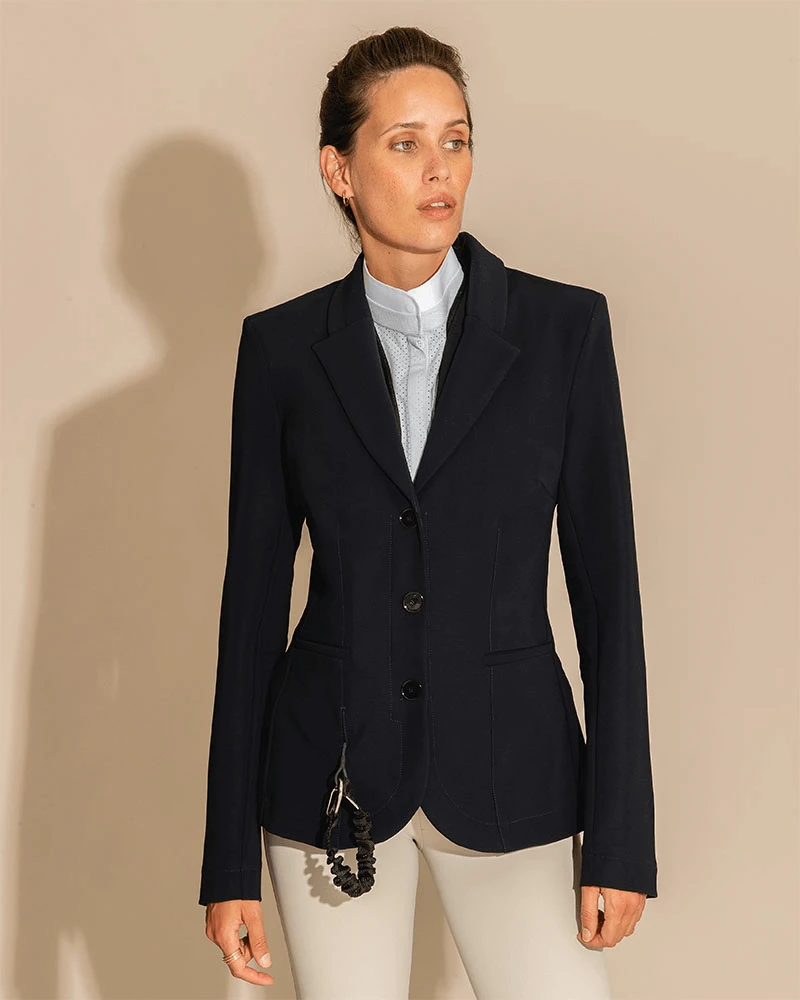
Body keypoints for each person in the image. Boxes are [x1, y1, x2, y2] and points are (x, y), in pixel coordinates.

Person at [199, 25, 657, 999]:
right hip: (329, 781)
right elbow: (251, 610)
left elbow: (609, 599)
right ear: (339, 170)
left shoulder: (562, 332)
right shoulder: (281, 353)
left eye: (456, 140)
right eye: (404, 143)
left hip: (513, 772)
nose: (439, 168)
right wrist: (226, 863)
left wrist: (620, 838)